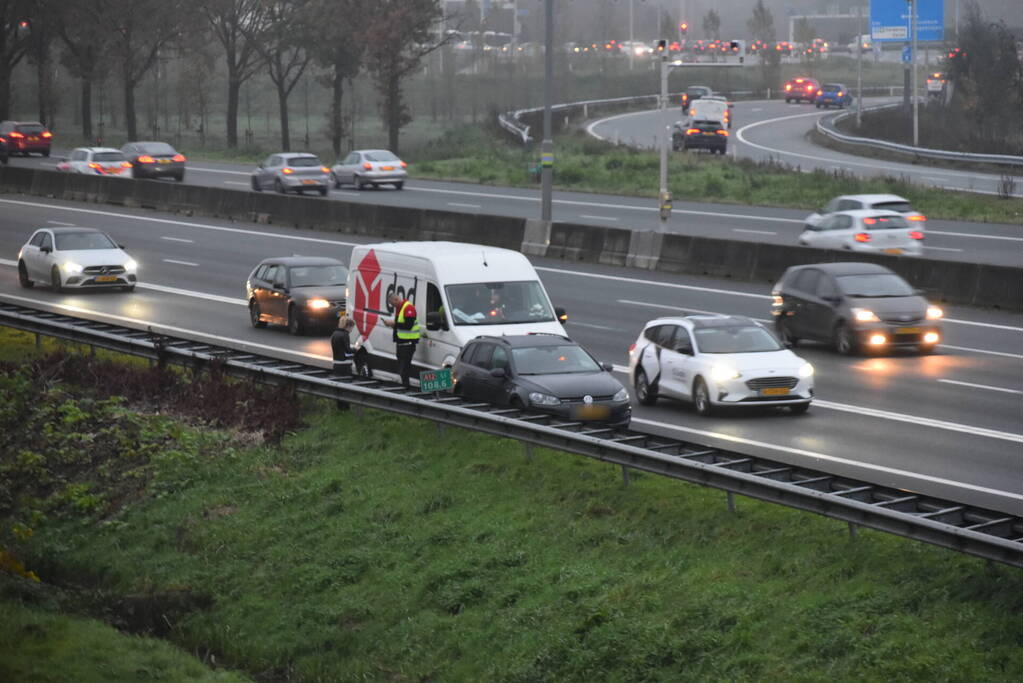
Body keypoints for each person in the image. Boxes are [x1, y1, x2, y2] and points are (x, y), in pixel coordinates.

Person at [382, 291, 420, 388]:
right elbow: (400, 326)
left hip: (408, 344)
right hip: (401, 344)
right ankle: (404, 387)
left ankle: (406, 389)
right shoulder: (400, 308)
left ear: (396, 299)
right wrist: (391, 325)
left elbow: (408, 325)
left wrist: (393, 324)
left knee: (404, 369)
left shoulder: (408, 308)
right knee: (402, 370)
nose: (392, 306)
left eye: (392, 304)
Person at [330, 315, 356, 410]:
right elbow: (347, 351)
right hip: (345, 365)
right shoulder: (345, 335)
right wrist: (356, 350)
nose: (351, 330)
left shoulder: (335, 334)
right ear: (348, 326)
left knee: (339, 386)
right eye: (352, 328)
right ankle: (345, 408)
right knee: (346, 387)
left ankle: (339, 407)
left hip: (336, 364)